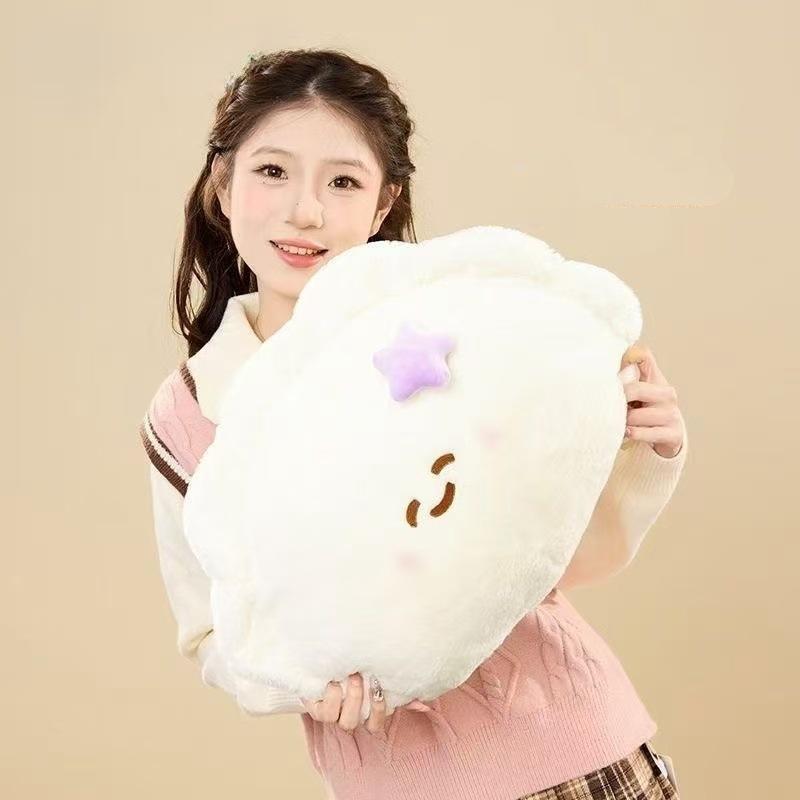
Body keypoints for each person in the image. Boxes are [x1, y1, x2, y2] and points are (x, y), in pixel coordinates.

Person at [139, 47, 686, 800]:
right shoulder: (190, 411)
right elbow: (211, 631)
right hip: (393, 780)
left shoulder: (458, 326)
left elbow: (550, 556)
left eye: (343, 181)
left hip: (572, 751)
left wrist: (644, 452)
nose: (305, 210)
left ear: (383, 203)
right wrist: (301, 683)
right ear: (222, 185)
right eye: (272, 171)